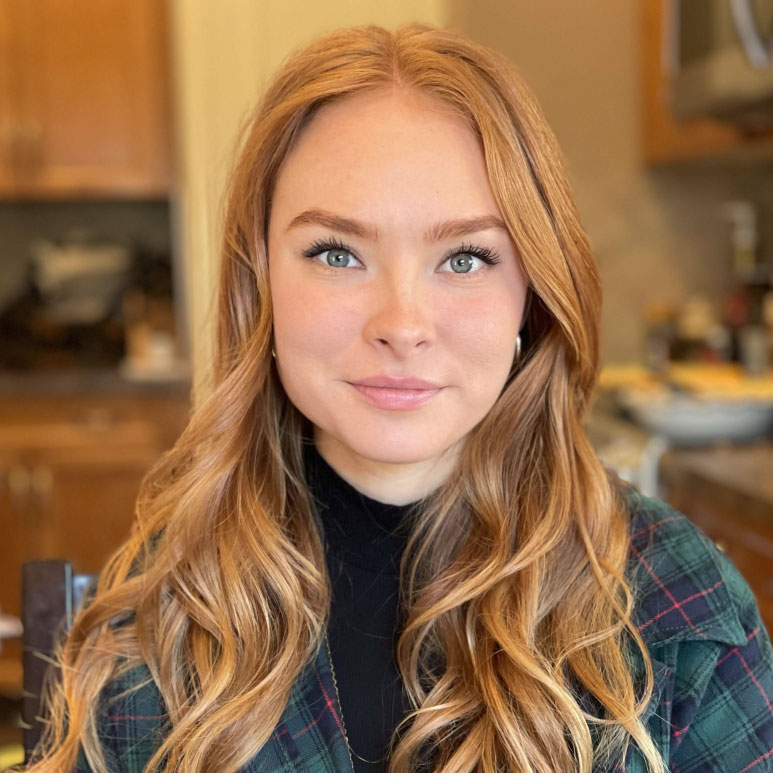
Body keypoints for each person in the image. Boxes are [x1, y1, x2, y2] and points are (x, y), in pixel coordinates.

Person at [19, 23, 773, 773]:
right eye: (336, 253)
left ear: (533, 295)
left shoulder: (681, 614)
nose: (402, 325)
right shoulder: (162, 617)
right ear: (261, 282)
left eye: (466, 258)